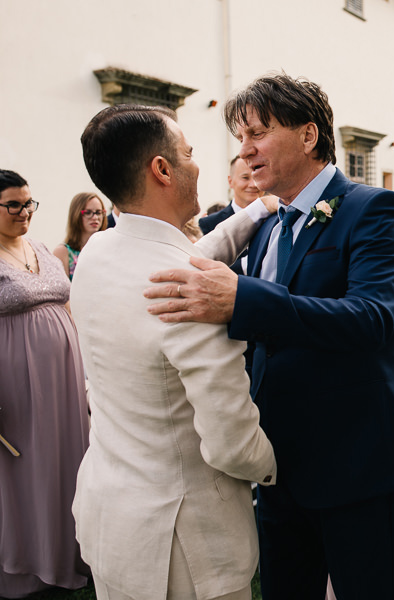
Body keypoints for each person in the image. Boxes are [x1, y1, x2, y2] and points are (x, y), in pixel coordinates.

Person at [142, 73, 394, 600]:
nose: (244, 152)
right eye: (240, 139)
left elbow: (373, 318)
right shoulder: (268, 226)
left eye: (257, 134)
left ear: (309, 136)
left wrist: (243, 299)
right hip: (275, 462)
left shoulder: (374, 209)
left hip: (354, 460)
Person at [72, 104, 278, 600]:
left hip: (112, 519)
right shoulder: (190, 295)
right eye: (188, 153)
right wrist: (278, 466)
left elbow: (183, 255)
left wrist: (256, 212)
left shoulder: (100, 252)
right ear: (162, 170)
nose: (197, 163)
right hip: (184, 550)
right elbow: (231, 442)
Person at [0, 170, 91, 597]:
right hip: (15, 383)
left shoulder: (39, 247)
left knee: (69, 459)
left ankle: (72, 553)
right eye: (13, 205)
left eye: (28, 203)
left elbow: (68, 302)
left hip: (65, 378)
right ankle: (28, 567)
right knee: (28, 471)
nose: (24, 213)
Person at [199, 156, 262, 234]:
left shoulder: (275, 218)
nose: (253, 185)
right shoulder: (210, 224)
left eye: (257, 177)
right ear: (230, 181)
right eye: (245, 178)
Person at [52, 192, 107, 279]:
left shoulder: (107, 248)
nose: (95, 217)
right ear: (76, 214)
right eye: (88, 212)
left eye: (98, 212)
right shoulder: (63, 252)